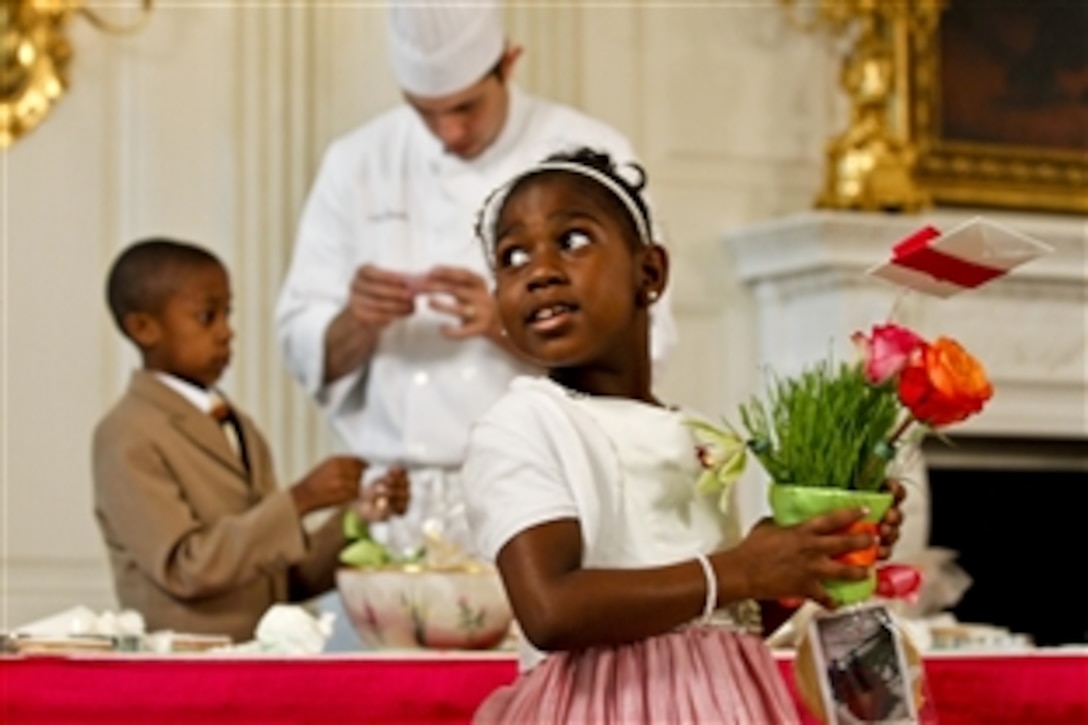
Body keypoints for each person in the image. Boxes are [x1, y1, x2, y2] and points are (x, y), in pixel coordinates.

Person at [462, 148, 907, 722]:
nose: (539, 269)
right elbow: (550, 609)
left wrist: (804, 562)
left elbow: (717, 620)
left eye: (571, 240)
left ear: (649, 273)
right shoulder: (525, 423)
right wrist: (743, 568)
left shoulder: (692, 433)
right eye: (512, 256)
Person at [274, 0, 677, 553]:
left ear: (509, 63)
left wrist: (508, 320)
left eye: (466, 107)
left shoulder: (588, 153)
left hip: (549, 490)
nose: (449, 130)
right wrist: (355, 321)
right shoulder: (356, 161)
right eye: (425, 111)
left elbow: (648, 338)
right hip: (393, 504)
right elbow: (301, 345)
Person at [92, 238, 410, 643]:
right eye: (207, 317)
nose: (227, 332)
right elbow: (186, 568)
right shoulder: (127, 434)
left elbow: (281, 579)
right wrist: (299, 500)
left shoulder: (237, 425)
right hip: (181, 673)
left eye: (228, 313)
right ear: (144, 327)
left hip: (259, 664)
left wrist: (356, 516)